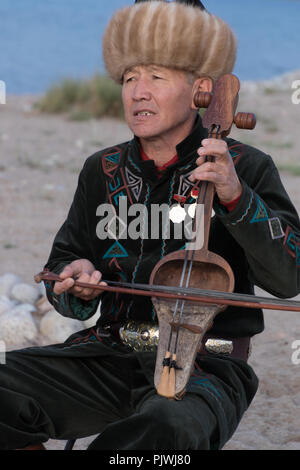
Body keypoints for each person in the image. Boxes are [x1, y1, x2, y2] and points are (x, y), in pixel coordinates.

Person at [1, 0, 299, 451]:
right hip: (108, 352)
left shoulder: (246, 167)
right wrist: (76, 285)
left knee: (167, 429)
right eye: (129, 77)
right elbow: (62, 266)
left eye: (156, 77)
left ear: (201, 89)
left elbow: (288, 277)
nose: (138, 92)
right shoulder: (100, 169)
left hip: (208, 365)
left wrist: (237, 198)